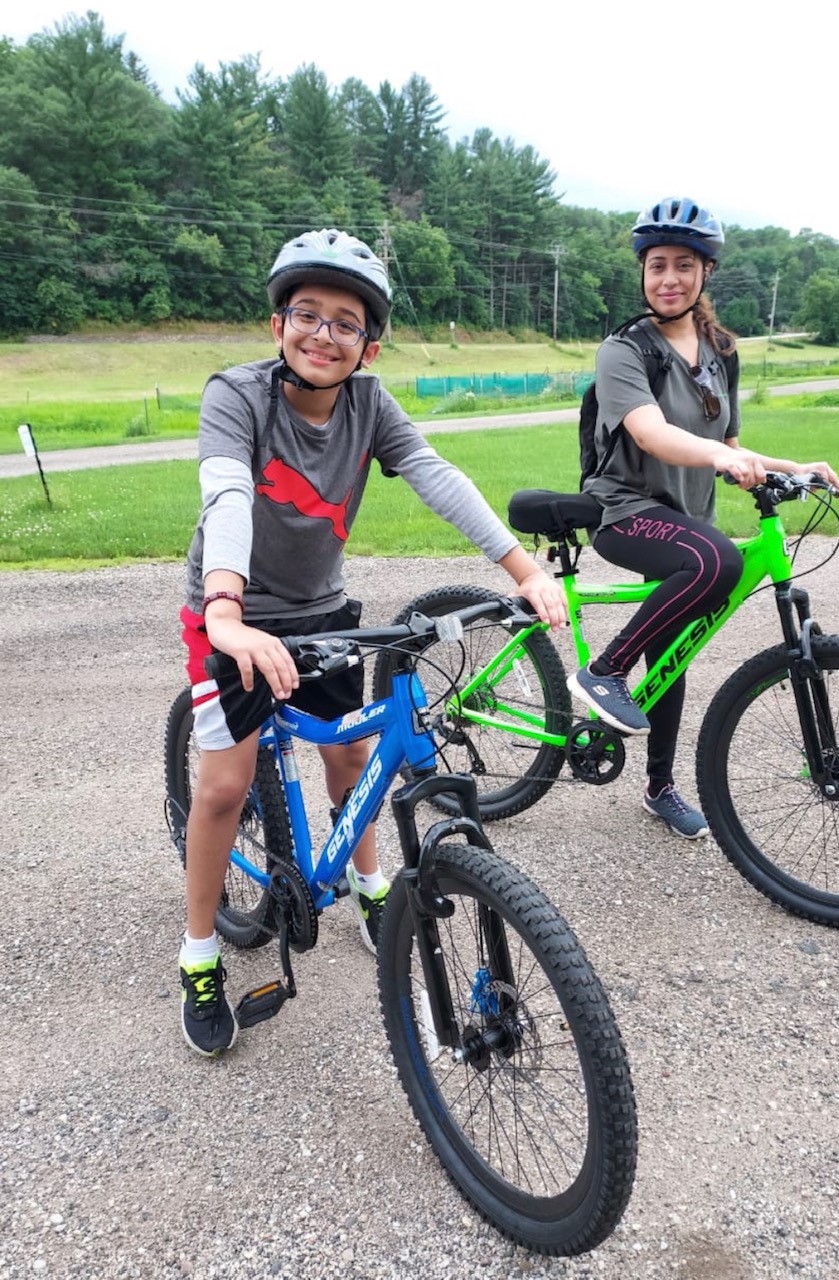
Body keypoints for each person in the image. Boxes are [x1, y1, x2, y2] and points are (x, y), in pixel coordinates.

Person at [178, 228, 567, 1058]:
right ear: (276, 325)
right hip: (231, 610)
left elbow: (434, 474)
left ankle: (368, 886)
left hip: (321, 611)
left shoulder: (369, 403)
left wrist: (523, 569)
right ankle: (201, 952)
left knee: (351, 759)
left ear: (369, 343)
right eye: (305, 315)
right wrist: (224, 612)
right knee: (221, 786)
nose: (323, 334)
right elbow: (228, 497)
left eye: (345, 323)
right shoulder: (237, 395)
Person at [567, 197, 839, 840]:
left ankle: (659, 786)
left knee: (674, 652)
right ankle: (604, 672)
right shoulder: (623, 351)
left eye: (683, 265)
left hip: (688, 516)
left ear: (705, 273)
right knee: (716, 561)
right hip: (627, 513)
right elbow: (653, 434)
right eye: (657, 265)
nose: (668, 278)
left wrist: (793, 464)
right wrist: (722, 457)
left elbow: (734, 445)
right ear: (642, 273)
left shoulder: (722, 350)